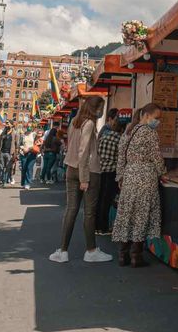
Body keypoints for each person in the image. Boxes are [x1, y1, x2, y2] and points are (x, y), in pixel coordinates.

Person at [50, 97, 108, 263]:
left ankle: (63, 250)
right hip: (88, 171)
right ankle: (91, 251)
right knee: (89, 213)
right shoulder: (89, 124)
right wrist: (84, 178)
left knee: (71, 210)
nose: (102, 111)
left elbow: (72, 147)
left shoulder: (75, 121)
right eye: (101, 108)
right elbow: (84, 151)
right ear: (95, 108)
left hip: (71, 168)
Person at [111, 103, 164, 268]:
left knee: (127, 214)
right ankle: (136, 256)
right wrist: (163, 172)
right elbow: (156, 157)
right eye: (157, 118)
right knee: (141, 215)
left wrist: (120, 176)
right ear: (146, 115)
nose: (158, 122)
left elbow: (120, 157)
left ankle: (122, 255)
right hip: (145, 177)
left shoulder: (128, 131)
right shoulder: (150, 133)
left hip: (129, 177)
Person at [91, 109, 123, 236]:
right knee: (107, 200)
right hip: (111, 172)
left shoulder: (104, 136)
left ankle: (96, 226)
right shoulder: (119, 139)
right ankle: (103, 227)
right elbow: (120, 158)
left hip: (101, 170)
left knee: (100, 199)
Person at [39, 119, 61, 184]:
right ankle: (48, 179)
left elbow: (43, 145)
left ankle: (42, 179)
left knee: (44, 167)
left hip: (46, 154)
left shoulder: (47, 138)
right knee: (49, 167)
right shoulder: (56, 139)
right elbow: (60, 144)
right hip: (52, 154)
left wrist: (42, 151)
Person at [18, 123, 40, 188]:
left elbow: (37, 143)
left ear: (32, 127)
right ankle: (23, 183)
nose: (29, 128)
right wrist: (23, 148)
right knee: (24, 168)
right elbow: (19, 144)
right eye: (28, 126)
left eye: (30, 126)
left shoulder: (34, 135)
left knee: (29, 168)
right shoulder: (22, 135)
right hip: (24, 153)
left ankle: (27, 183)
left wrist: (29, 148)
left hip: (32, 153)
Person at [0, 123, 17, 188]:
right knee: (1, 168)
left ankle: (4, 181)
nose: (6, 125)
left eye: (8, 123)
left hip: (9, 153)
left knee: (7, 168)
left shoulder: (15, 133)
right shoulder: (3, 133)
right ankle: (1, 182)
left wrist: (15, 154)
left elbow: (17, 144)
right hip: (2, 152)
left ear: (12, 125)